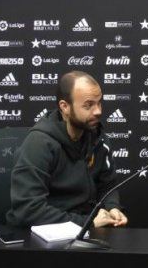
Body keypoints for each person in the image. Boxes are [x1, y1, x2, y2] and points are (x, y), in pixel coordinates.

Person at [7, 71, 128, 228]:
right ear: (65, 107)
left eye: (99, 103)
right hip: (45, 234)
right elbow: (28, 210)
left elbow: (107, 185)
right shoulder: (39, 144)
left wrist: (112, 207)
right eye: (88, 105)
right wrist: (87, 223)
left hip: (87, 229)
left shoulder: (98, 138)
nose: (98, 111)